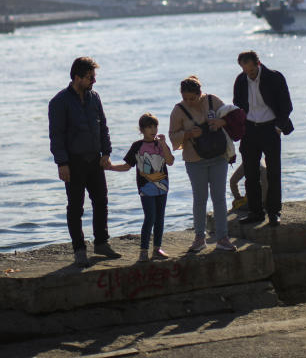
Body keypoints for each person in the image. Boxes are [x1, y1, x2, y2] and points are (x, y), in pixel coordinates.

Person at [49, 56, 121, 267]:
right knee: (75, 208)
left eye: (94, 77)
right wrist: (62, 163)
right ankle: (79, 250)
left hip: (95, 161)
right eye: (90, 77)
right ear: (77, 77)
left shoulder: (94, 97)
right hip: (73, 163)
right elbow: (56, 136)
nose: (94, 81)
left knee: (101, 202)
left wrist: (106, 152)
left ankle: (101, 243)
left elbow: (103, 127)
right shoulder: (59, 102)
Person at [169, 75, 237, 252]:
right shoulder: (178, 110)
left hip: (218, 156)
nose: (189, 102)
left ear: (200, 93)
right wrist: (189, 134)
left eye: (192, 98)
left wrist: (220, 121)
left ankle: (223, 238)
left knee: (219, 198)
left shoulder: (212, 101)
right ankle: (200, 237)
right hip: (194, 160)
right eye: (185, 98)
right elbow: (173, 136)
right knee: (200, 199)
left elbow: (232, 117)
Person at [232, 50, 294, 226]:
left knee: (274, 172)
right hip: (250, 129)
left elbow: (286, 105)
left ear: (258, 64)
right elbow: (237, 103)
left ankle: (274, 212)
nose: (249, 75)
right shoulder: (241, 80)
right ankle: (255, 212)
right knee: (250, 174)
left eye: (251, 71)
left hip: (270, 127)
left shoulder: (274, 77)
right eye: (245, 71)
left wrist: (278, 127)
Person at [109, 113, 175, 262]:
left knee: (160, 219)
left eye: (155, 126)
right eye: (149, 127)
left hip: (162, 187)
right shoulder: (137, 146)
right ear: (142, 130)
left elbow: (170, 161)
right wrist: (110, 167)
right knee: (150, 217)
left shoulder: (161, 145)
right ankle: (143, 251)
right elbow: (127, 166)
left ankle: (157, 249)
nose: (153, 130)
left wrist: (164, 144)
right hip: (146, 188)